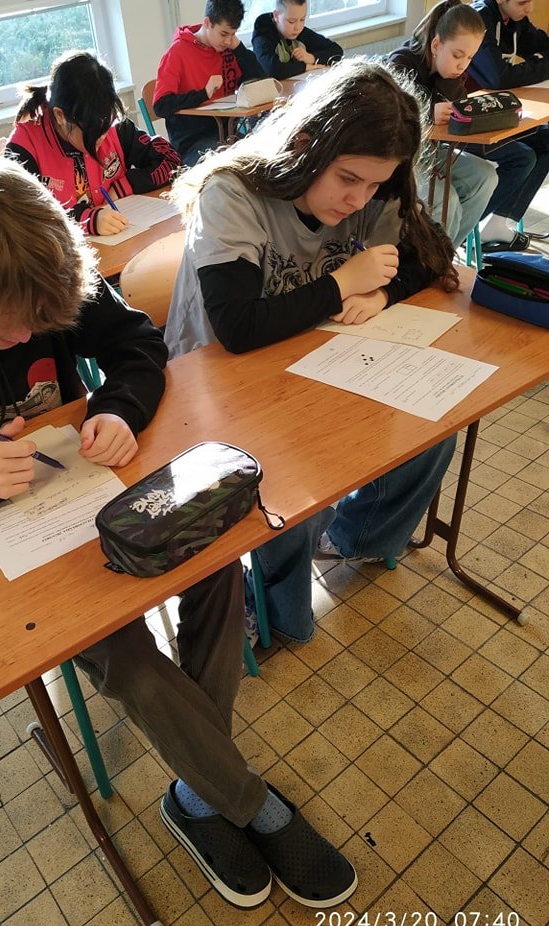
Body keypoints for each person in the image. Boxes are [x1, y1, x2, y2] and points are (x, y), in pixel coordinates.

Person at [0, 155, 357, 913]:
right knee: (126, 656)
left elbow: (137, 345)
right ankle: (241, 799)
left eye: (42, 322)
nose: (27, 335)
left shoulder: (45, 279)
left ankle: (201, 789)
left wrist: (118, 406)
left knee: (215, 565)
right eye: (10, 324)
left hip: (97, 501)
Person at [164, 59, 458, 646]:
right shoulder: (234, 193)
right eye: (348, 178)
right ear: (305, 144)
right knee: (301, 483)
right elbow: (238, 328)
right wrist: (344, 283)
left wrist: (382, 292)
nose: (359, 199)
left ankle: (353, 538)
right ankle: (271, 606)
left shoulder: (370, 185)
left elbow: (432, 256)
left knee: (432, 432)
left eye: (374, 185)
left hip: (311, 358)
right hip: (217, 383)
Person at [7, 51, 180, 237]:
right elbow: (21, 219)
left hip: (120, 242)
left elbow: (171, 160)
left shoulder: (112, 126)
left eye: (107, 124)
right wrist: (87, 220)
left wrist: (123, 187)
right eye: (93, 131)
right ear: (60, 115)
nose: (103, 136)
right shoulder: (23, 147)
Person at [387, 0, 499, 247]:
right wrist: (427, 113)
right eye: (457, 55)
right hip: (400, 157)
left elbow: (458, 113)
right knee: (447, 201)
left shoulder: (452, 73)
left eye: (470, 57)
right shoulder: (401, 63)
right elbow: (393, 120)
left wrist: (448, 78)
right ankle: (432, 262)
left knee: (486, 176)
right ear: (436, 45)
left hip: (431, 151)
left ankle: (446, 253)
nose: (463, 64)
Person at [466, 0, 549, 250]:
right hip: (468, 123)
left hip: (497, 114)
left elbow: (541, 44)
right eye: (523, 2)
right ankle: (467, 225)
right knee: (523, 157)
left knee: (546, 140)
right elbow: (498, 77)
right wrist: (541, 64)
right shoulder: (478, 20)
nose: (530, 8)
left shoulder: (513, 19)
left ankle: (499, 221)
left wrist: (536, 61)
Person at [153, 0, 266, 166]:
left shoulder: (229, 49)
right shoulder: (177, 52)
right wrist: (203, 94)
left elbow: (260, 81)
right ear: (207, 23)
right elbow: (160, 106)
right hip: (193, 143)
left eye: (233, 34)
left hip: (228, 135)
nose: (227, 41)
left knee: (262, 159)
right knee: (230, 166)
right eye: (223, 34)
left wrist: (239, 48)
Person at [252, 0, 343, 79]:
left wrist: (311, 57)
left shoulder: (300, 31)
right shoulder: (262, 34)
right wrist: (305, 67)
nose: (298, 27)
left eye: (302, 19)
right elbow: (270, 69)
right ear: (276, 16)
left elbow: (337, 51)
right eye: (291, 21)